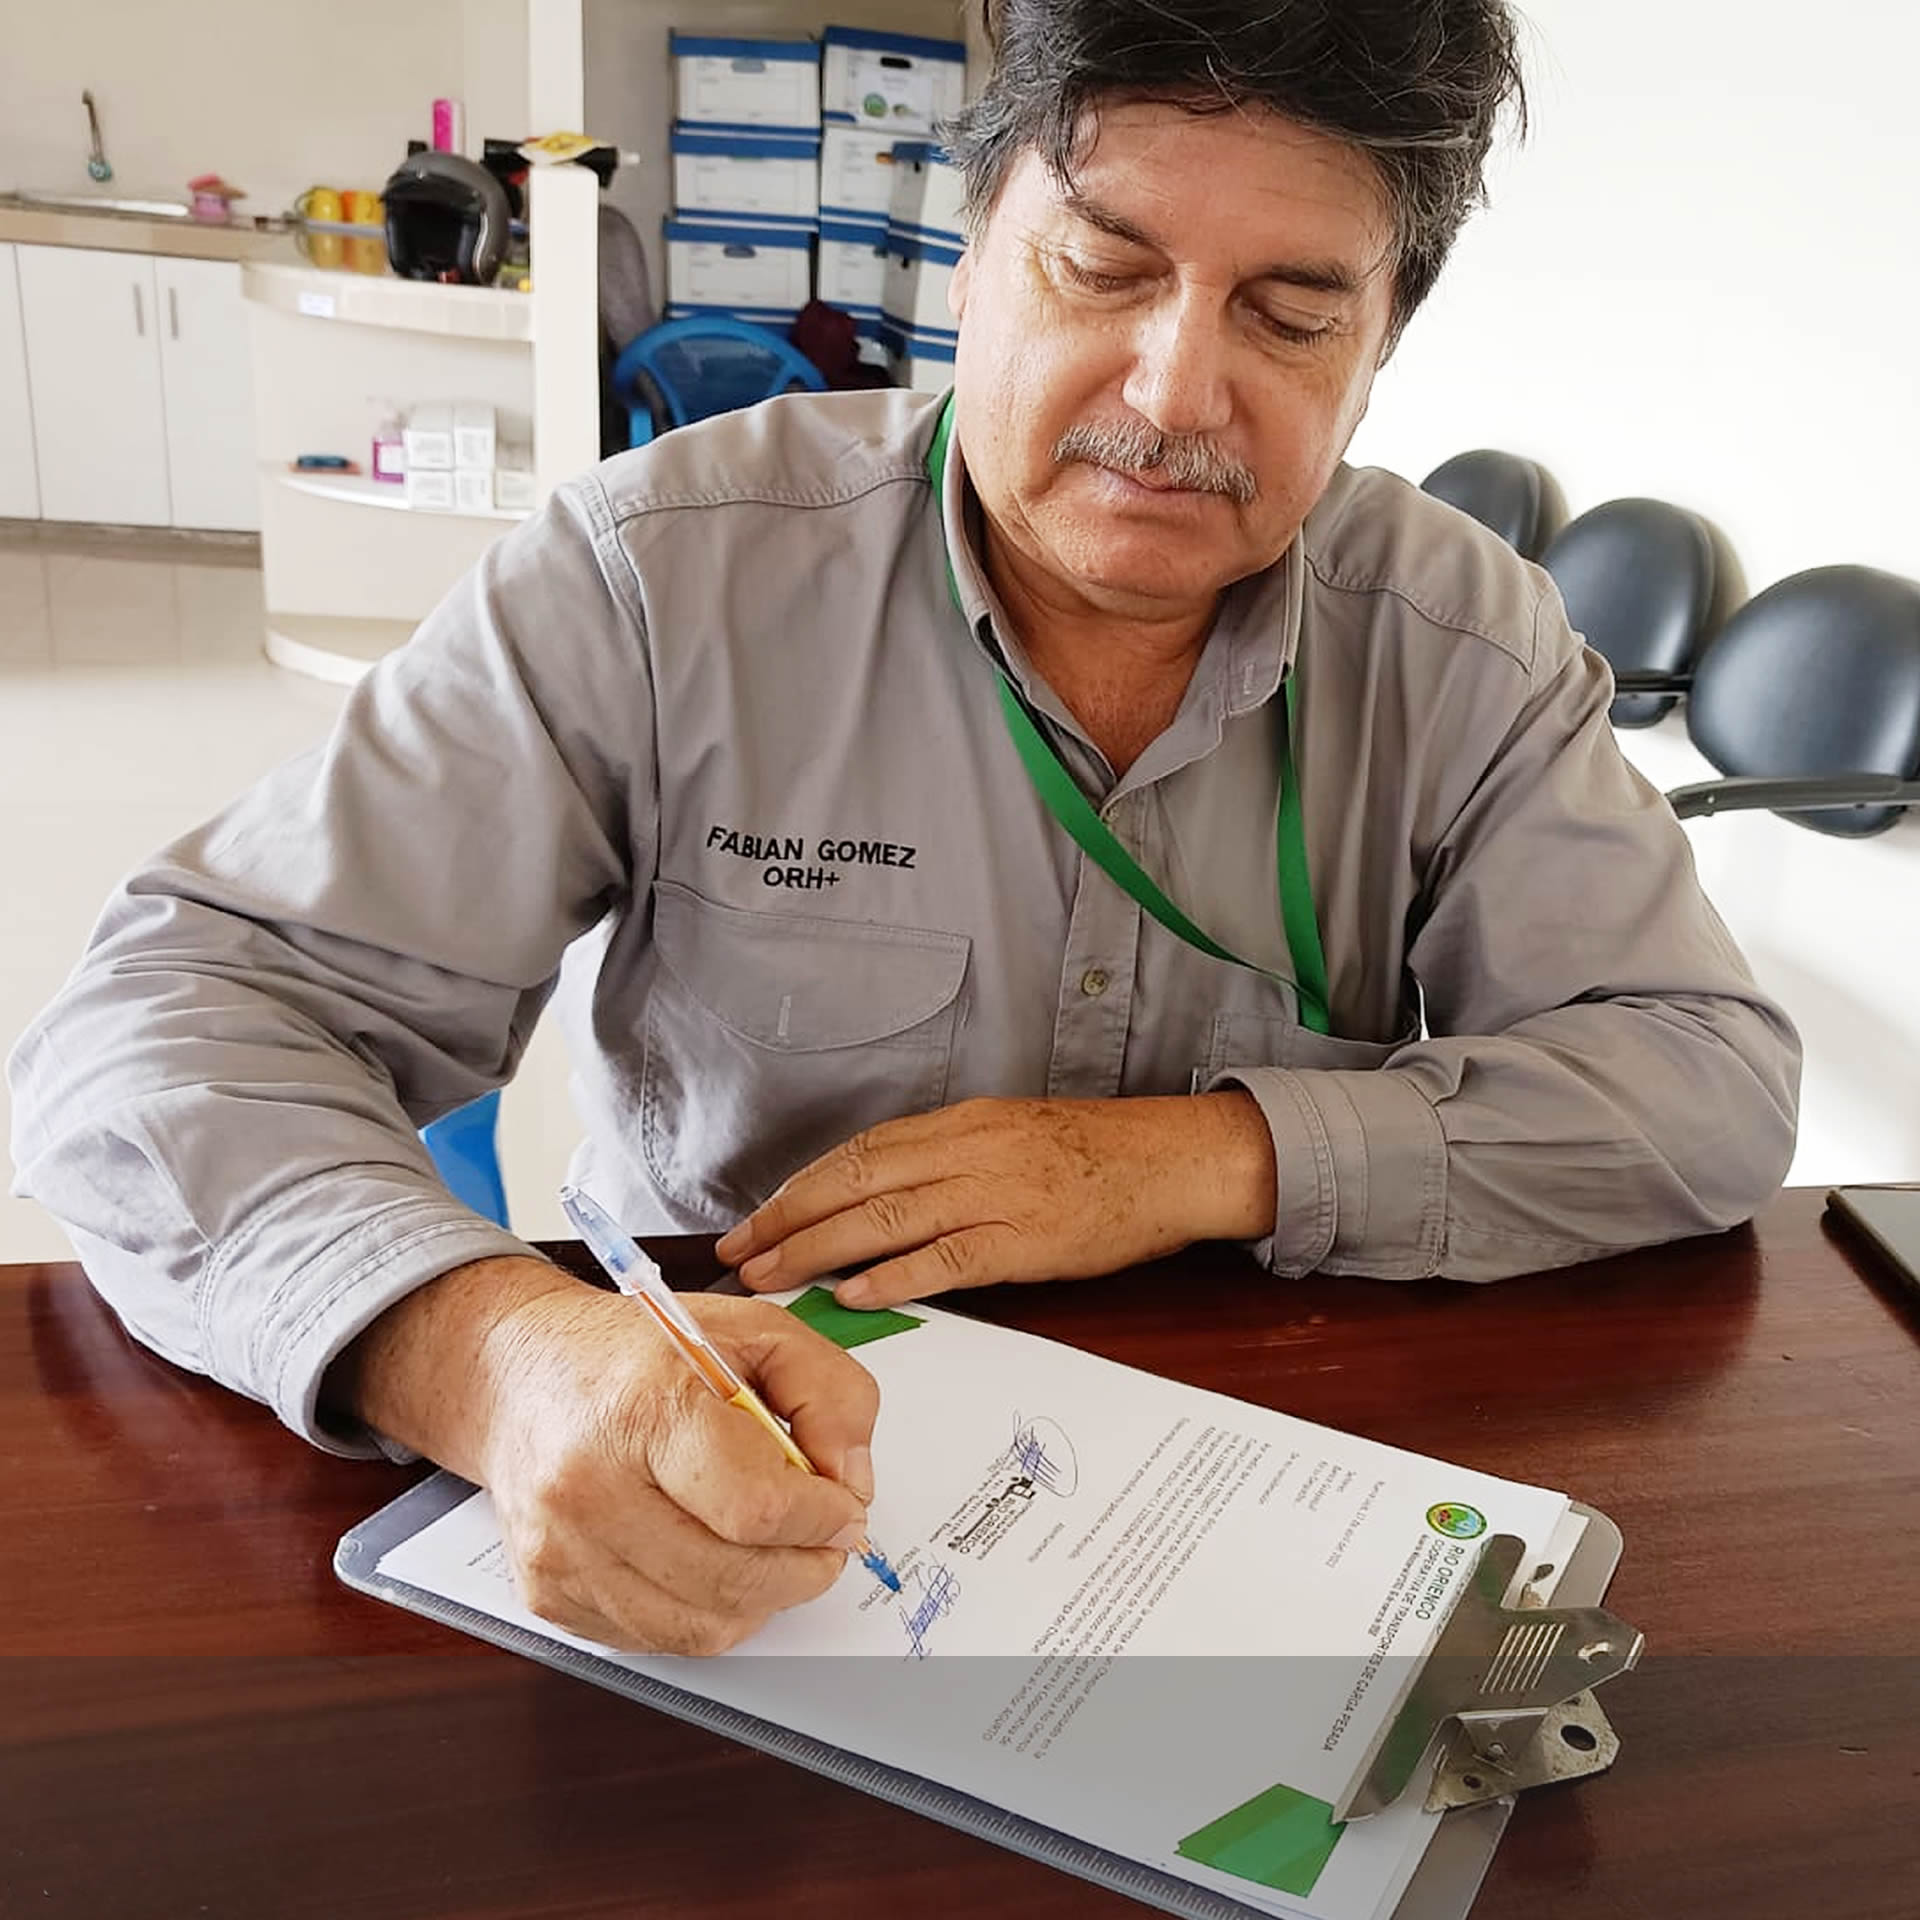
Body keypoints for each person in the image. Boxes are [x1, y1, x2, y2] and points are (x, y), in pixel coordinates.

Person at [8, 0, 1799, 1655]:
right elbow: (160, 1029)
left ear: (1380, 345)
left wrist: (1194, 1159)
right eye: (1102, 267)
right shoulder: (660, 580)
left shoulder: (1463, 642)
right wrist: (484, 1354)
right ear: (973, 246)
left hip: (1262, 1507)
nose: (1174, 393)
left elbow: (1703, 1081)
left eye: (1290, 315)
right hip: (735, 1460)